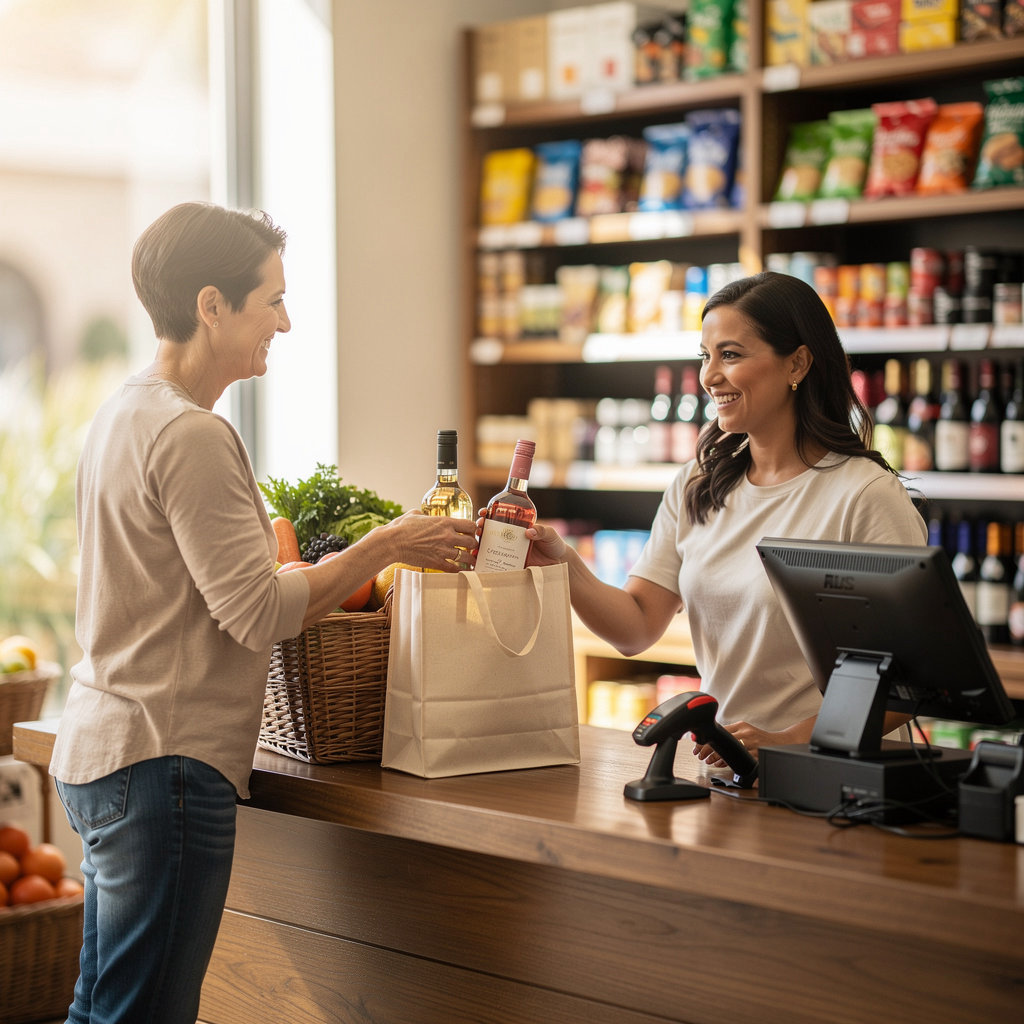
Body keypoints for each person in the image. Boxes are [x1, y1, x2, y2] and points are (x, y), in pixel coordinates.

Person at [49, 201, 476, 1024]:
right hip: (163, 760)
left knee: (103, 1010)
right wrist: (383, 544)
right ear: (212, 306)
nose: (286, 319)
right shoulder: (191, 435)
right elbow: (255, 612)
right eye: (271, 300)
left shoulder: (122, 414)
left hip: (105, 746)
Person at [522, 271, 927, 766]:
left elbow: (908, 682)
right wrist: (561, 562)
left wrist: (791, 739)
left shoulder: (864, 495)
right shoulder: (699, 484)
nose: (709, 376)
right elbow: (636, 627)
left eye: (730, 355)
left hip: (834, 783)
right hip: (726, 774)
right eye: (705, 356)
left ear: (797, 362)